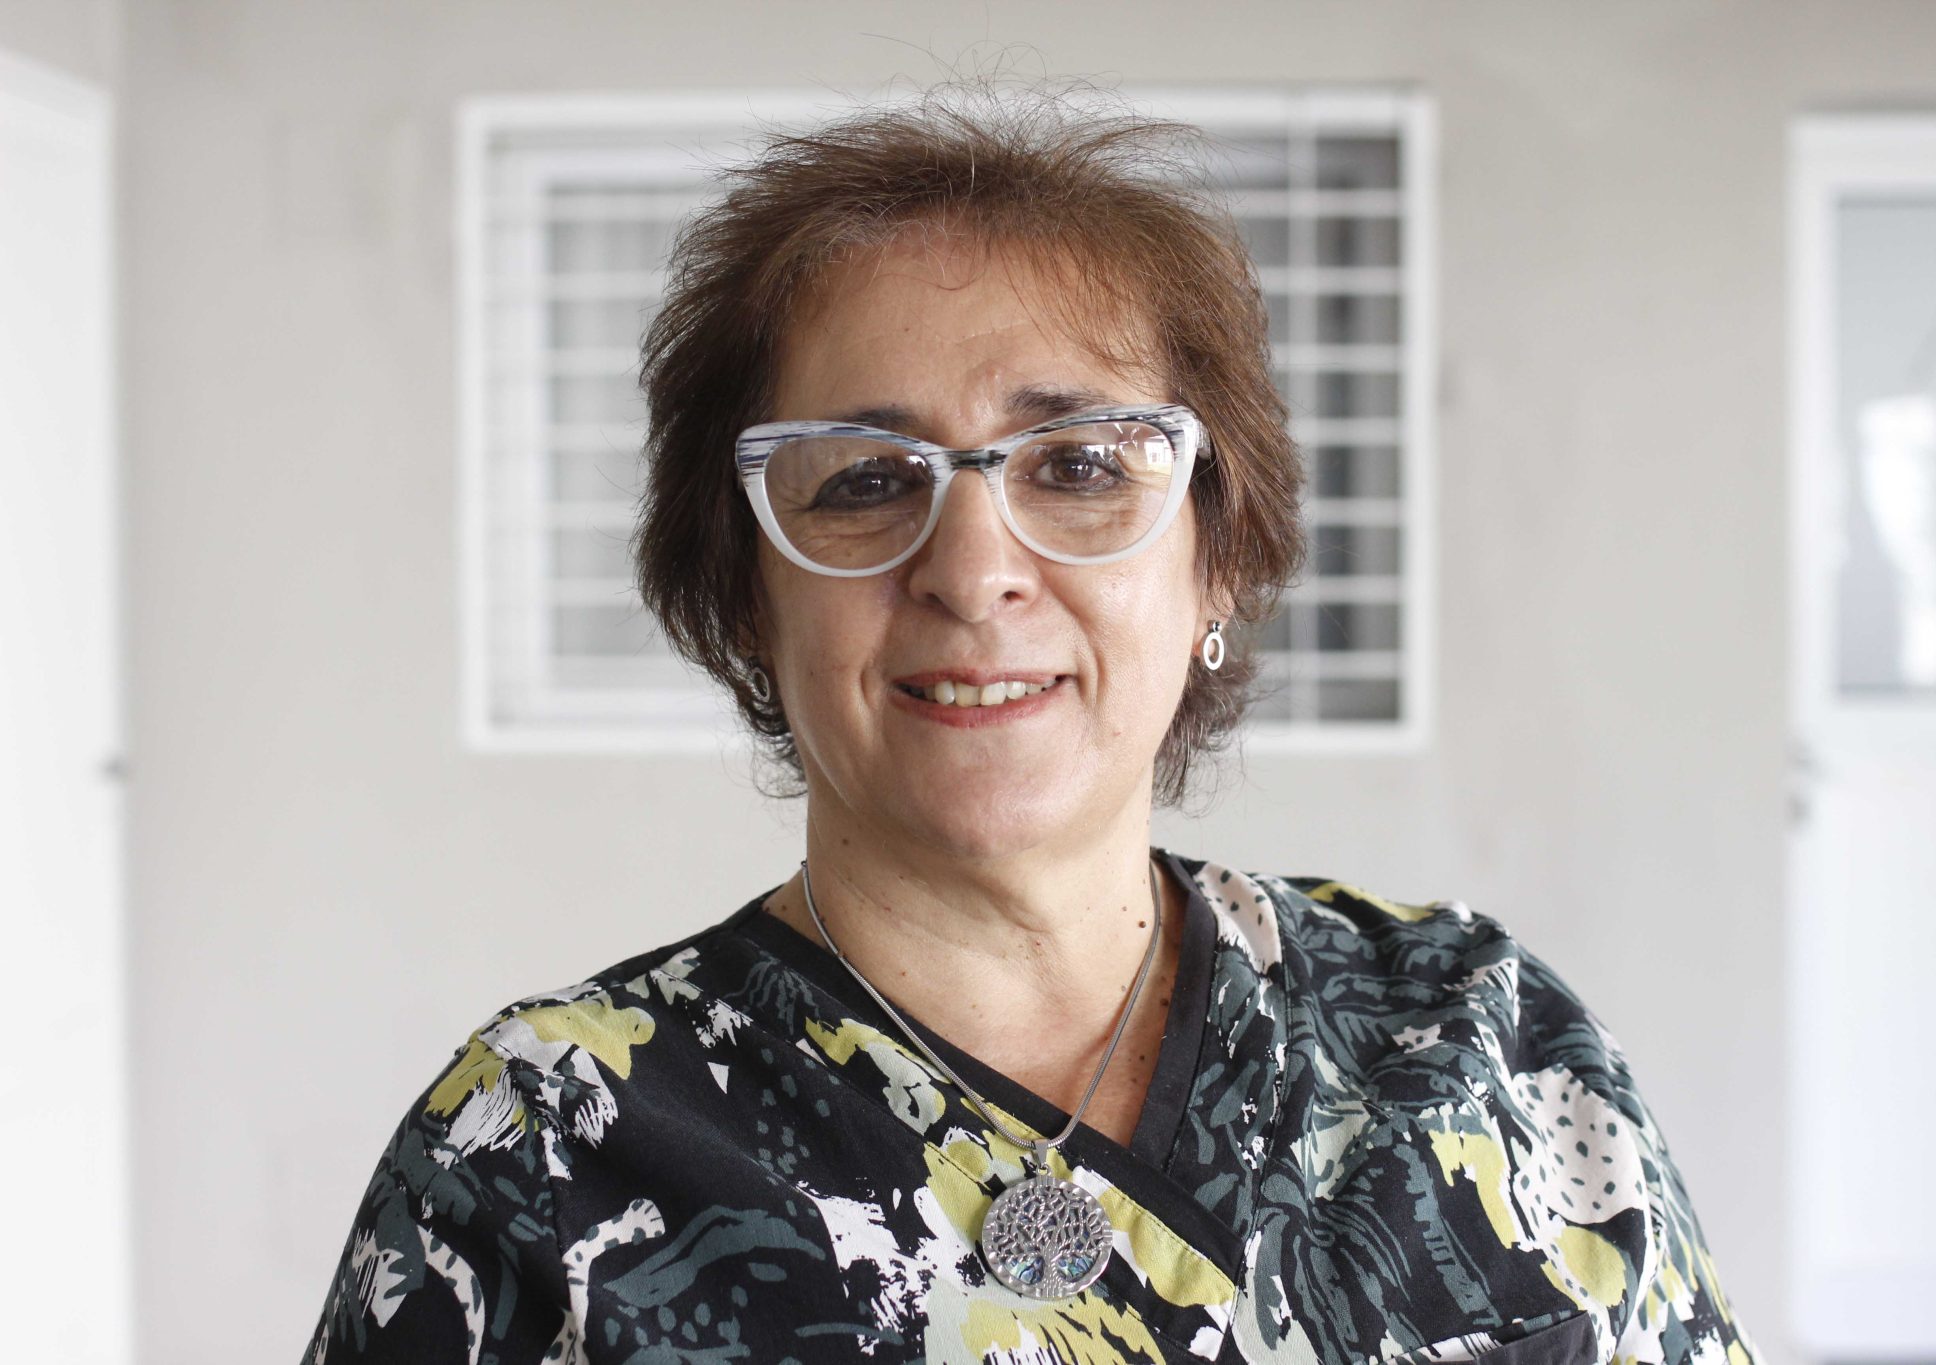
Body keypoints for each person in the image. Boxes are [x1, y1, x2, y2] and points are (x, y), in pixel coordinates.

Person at [301, 85, 1764, 1365]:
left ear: (1219, 561)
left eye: (1078, 466)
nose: (973, 569)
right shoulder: (543, 1146)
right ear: (744, 594)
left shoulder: (1475, 1039)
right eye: (865, 480)